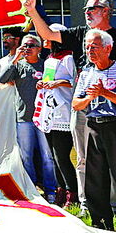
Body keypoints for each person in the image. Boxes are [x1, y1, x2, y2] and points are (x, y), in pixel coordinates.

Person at [25, 0, 116, 207]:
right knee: (84, 157)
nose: (87, 13)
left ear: (105, 11)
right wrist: (32, 11)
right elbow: (47, 34)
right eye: (85, 9)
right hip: (83, 106)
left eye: (92, 9)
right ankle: (88, 202)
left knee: (115, 159)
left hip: (113, 110)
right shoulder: (78, 34)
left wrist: (108, 83)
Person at [71, 29, 116, 233]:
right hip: (94, 126)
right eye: (87, 46)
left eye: (94, 46)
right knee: (95, 178)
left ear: (108, 48)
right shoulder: (86, 73)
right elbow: (76, 104)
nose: (89, 50)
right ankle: (101, 223)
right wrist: (89, 98)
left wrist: (105, 93)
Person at [0, 34, 58, 202]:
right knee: (26, 157)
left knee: (47, 156)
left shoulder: (45, 65)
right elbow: (1, 79)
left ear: (39, 48)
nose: (27, 48)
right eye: (24, 45)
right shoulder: (18, 65)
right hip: (23, 118)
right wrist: (16, 57)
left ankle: (51, 191)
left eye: (31, 45)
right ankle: (32, 192)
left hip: (43, 117)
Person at [35, 25, 77, 207]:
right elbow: (48, 79)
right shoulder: (49, 59)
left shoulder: (68, 58)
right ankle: (60, 189)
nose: (43, 37)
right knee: (53, 155)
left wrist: (58, 83)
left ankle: (73, 191)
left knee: (62, 155)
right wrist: (43, 84)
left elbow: (75, 81)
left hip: (64, 112)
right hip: (49, 112)